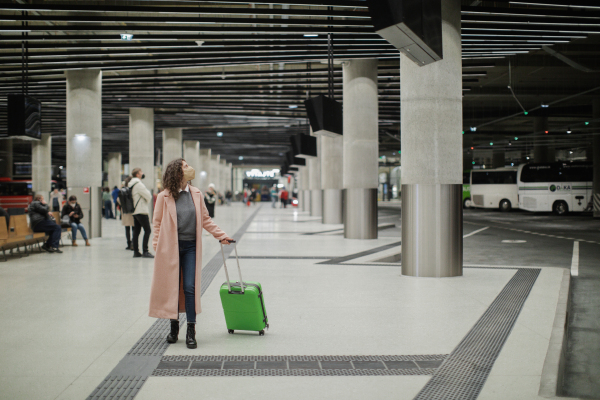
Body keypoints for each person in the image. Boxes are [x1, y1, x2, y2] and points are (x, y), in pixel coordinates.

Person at [150, 158, 234, 349]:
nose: (190, 169)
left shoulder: (196, 194)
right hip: (170, 248)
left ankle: (191, 330)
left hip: (190, 247)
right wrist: (157, 246)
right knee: (172, 287)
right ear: (177, 172)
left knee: (189, 287)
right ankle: (173, 328)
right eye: (185, 166)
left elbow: (205, 219)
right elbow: (157, 223)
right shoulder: (164, 196)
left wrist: (222, 236)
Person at [129, 168, 154, 258]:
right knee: (147, 230)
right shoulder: (139, 184)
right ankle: (145, 251)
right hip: (141, 210)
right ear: (137, 175)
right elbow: (148, 195)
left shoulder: (131, 184)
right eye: (141, 172)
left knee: (136, 231)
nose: (142, 173)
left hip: (135, 211)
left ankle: (136, 251)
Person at [119, 177, 136, 251]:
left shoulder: (123, 190)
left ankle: (128, 244)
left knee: (127, 228)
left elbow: (119, 201)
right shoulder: (133, 190)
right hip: (133, 211)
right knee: (134, 228)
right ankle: (133, 243)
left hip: (125, 211)